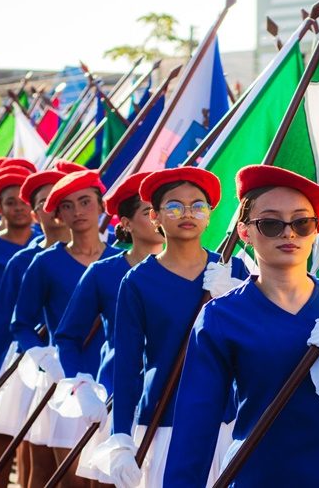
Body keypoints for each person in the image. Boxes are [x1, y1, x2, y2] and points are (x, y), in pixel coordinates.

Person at [163, 165, 319, 487]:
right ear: (245, 232)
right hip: (259, 479)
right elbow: (196, 428)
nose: (289, 233)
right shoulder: (221, 317)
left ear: (316, 230)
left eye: (302, 222)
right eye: (271, 223)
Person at [95, 167, 249, 488]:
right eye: (174, 207)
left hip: (227, 418)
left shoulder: (234, 269)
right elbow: (127, 366)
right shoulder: (137, 281)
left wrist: (235, 303)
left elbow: (257, 345)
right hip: (166, 419)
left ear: (209, 215)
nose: (187, 214)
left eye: (197, 206)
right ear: (155, 217)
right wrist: (121, 435)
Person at [53, 172, 165, 483]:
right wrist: (81, 384)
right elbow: (68, 336)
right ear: (125, 223)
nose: (159, 218)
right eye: (147, 211)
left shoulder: (202, 273)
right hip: (118, 394)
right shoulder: (103, 272)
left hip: (172, 396)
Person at [0, 169, 72, 488]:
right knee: (14, 436)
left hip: (73, 365)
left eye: (60, 202)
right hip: (25, 358)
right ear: (37, 212)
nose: (54, 211)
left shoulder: (97, 258)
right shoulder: (23, 260)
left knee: (55, 454)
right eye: (44, 203)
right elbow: (1, 319)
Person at [11, 169, 118, 487]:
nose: (77, 212)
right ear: (58, 214)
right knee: (70, 480)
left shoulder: (120, 262)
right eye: (67, 206)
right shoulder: (44, 263)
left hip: (113, 381)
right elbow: (21, 324)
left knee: (108, 478)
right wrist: (43, 356)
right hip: (69, 380)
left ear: (101, 206)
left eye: (85, 202)